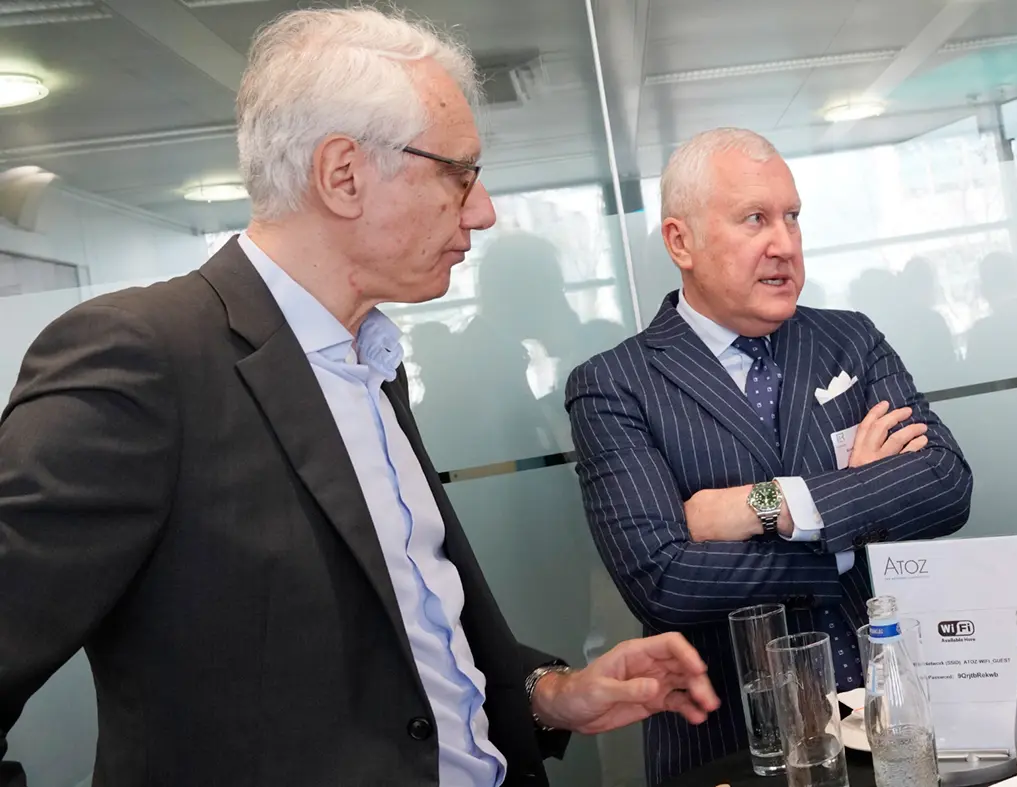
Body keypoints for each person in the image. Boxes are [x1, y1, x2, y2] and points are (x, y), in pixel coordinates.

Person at [0, 9, 719, 787]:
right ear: (342, 175)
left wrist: (548, 694)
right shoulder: (142, 357)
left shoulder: (367, 358)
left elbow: (397, 636)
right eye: (459, 172)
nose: (482, 209)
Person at [565, 128, 972, 784]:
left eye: (792, 217)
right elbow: (664, 580)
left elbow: (944, 483)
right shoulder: (615, 384)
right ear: (680, 241)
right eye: (754, 219)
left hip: (888, 724)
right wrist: (850, 528)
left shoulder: (849, 340)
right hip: (731, 742)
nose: (783, 243)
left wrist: (770, 505)